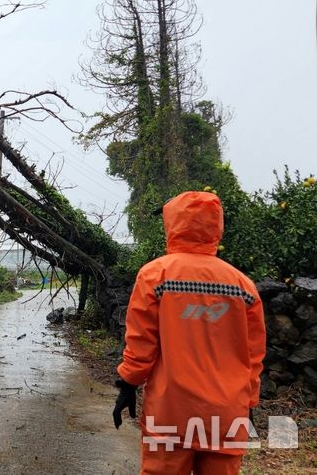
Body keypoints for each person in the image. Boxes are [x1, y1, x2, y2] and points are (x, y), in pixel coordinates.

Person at [113, 191, 266, 474]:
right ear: (216, 226)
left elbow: (141, 345)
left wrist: (127, 383)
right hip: (226, 413)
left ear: (172, 224)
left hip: (170, 410)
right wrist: (249, 401)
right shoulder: (243, 286)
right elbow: (253, 355)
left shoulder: (154, 276)